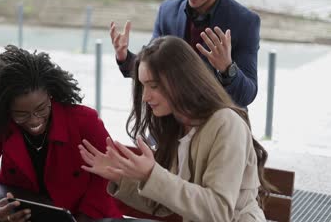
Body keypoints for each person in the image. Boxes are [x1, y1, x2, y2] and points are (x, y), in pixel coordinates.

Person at [79, 36, 271, 221]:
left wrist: (151, 174)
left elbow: (218, 211)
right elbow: (166, 204)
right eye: (143, 86)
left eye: (153, 86)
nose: (145, 97)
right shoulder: (179, 126)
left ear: (182, 81)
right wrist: (121, 178)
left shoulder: (226, 124)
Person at [0, 45, 122, 221]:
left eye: (41, 108)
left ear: (50, 95)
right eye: (21, 114)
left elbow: (108, 174)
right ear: (6, 109)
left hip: (91, 217)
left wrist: (84, 217)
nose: (34, 120)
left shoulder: (84, 120)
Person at [110, 0, 260, 108]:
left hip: (220, 122)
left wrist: (227, 68)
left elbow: (247, 95)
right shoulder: (167, 12)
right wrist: (124, 57)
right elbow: (150, 69)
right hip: (174, 121)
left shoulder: (245, 21)